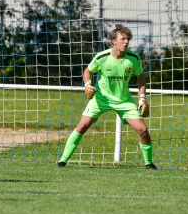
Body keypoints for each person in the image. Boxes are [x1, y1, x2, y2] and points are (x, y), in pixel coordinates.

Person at [57, 24, 156, 169]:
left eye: (128, 39)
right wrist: (87, 85)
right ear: (113, 41)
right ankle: (62, 161)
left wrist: (142, 97)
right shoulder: (102, 57)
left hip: (123, 99)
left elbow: (140, 77)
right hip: (101, 97)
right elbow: (87, 71)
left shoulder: (133, 58)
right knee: (83, 126)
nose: (126, 42)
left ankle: (149, 164)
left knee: (143, 130)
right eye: (123, 39)